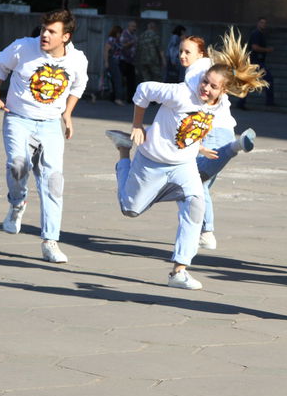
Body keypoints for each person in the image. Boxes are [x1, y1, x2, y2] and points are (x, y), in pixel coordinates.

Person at [104, 28, 266, 289]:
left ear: (223, 92)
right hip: (151, 161)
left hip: (183, 165)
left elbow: (193, 125)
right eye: (205, 82)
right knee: (130, 209)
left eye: (213, 86)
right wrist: (137, 125)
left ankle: (179, 271)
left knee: (195, 204)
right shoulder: (181, 93)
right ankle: (124, 151)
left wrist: (198, 147)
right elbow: (144, 90)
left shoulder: (218, 106)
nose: (206, 88)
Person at [0, 9, 89, 263]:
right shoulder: (22, 47)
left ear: (65, 36)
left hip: (51, 125)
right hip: (18, 119)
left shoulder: (77, 59)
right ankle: (17, 203)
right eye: (44, 29)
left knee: (53, 182)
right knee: (17, 165)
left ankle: (50, 241)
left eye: (51, 31)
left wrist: (67, 114)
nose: (44, 34)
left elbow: (79, 85)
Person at [176, 35, 261, 251]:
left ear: (201, 53)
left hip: (211, 131)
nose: (183, 55)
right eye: (181, 51)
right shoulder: (209, 67)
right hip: (222, 131)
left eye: (188, 52)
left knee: (194, 182)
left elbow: (191, 103)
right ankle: (202, 231)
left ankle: (205, 232)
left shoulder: (197, 72)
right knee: (198, 184)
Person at [235, 17, 274, 109]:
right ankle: (269, 101)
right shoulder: (256, 34)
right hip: (255, 63)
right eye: (261, 22)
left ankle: (241, 103)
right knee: (269, 79)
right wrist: (267, 50)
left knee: (249, 82)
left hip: (256, 62)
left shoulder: (260, 34)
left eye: (265, 23)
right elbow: (254, 47)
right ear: (258, 23)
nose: (263, 24)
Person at [103, 25, 126, 105]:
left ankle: (114, 98)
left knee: (115, 80)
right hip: (112, 61)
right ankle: (118, 99)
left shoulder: (117, 40)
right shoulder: (111, 39)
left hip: (117, 61)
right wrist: (106, 62)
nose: (120, 35)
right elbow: (106, 50)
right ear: (116, 33)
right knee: (117, 79)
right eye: (119, 33)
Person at [119, 20, 138, 100]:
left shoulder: (134, 35)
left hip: (131, 61)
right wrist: (132, 42)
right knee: (122, 79)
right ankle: (119, 97)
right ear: (129, 26)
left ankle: (130, 98)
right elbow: (122, 46)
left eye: (135, 26)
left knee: (131, 80)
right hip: (124, 60)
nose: (134, 28)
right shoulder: (125, 34)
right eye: (133, 26)